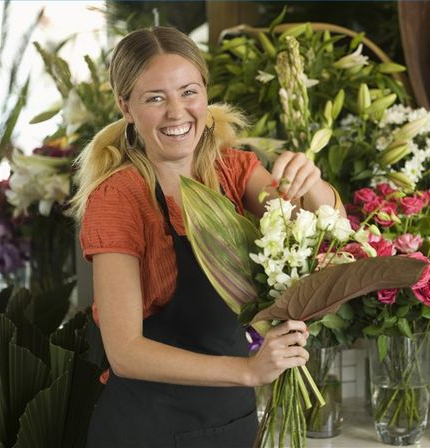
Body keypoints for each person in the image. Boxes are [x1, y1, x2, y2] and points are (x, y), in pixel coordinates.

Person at [71, 26, 344, 448]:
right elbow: (125, 352)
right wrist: (249, 371)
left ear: (205, 94)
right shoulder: (119, 199)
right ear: (126, 107)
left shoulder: (234, 172)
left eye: (189, 92)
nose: (177, 113)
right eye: (155, 98)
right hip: (148, 430)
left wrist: (313, 184)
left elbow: (324, 237)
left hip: (231, 423)